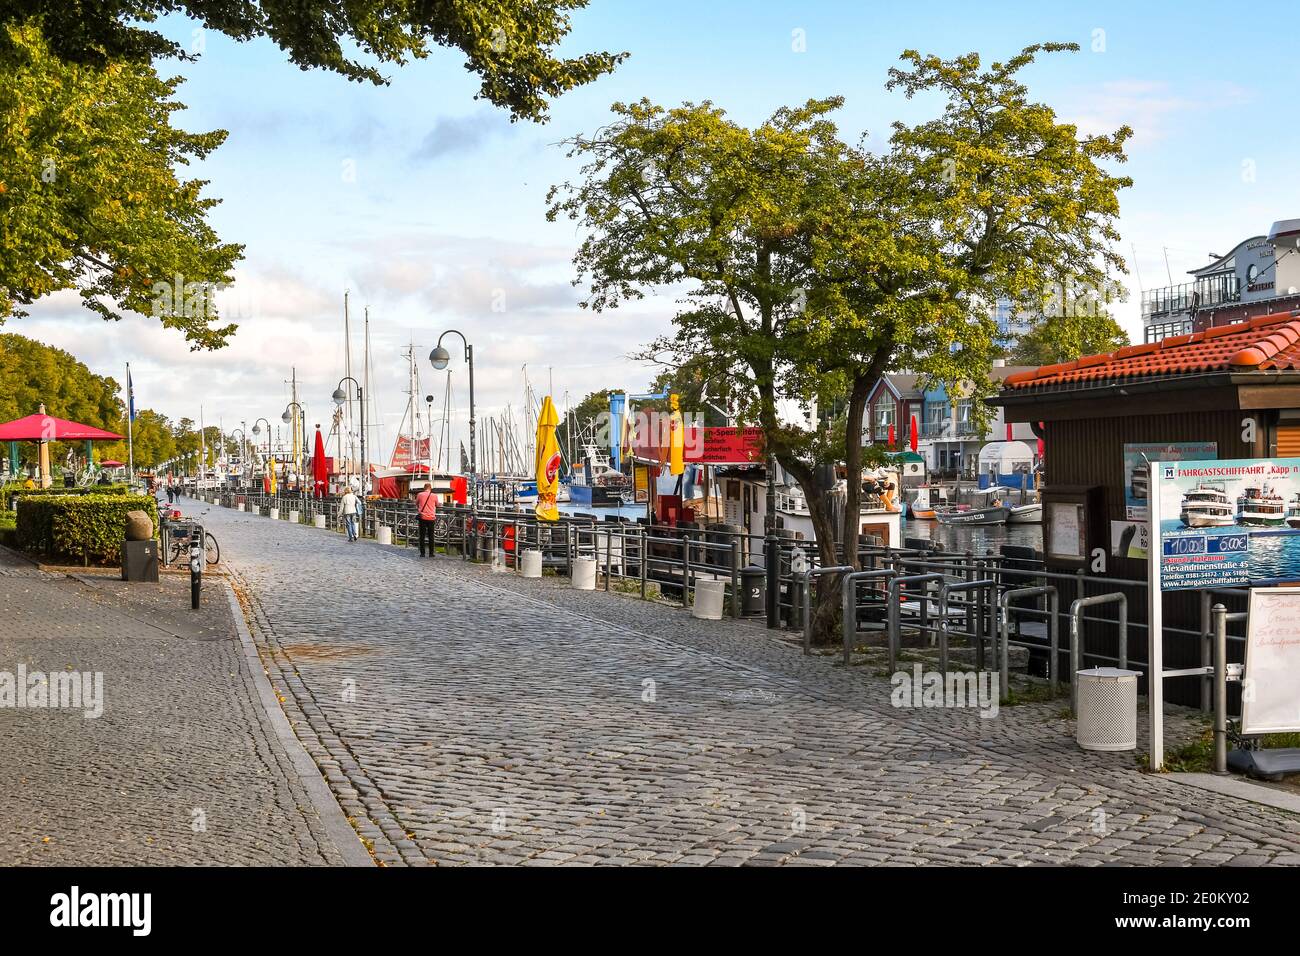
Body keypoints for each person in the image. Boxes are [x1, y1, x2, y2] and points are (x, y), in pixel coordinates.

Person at [415, 481, 438, 557]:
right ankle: (431, 553)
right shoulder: (434, 495)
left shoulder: (420, 494)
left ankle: (422, 553)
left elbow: (416, 503)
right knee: (431, 536)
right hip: (431, 518)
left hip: (422, 517)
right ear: (430, 488)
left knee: (422, 535)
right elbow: (437, 505)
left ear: (424, 488)